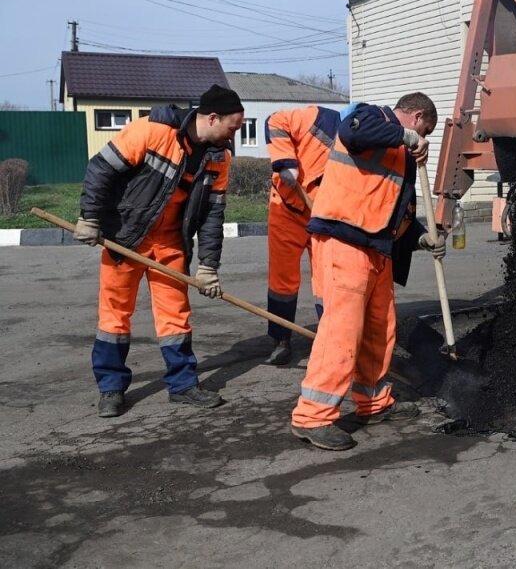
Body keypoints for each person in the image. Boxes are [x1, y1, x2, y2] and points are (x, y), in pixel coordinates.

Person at [74, 84, 245, 418]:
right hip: (125, 238)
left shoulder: (218, 157)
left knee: (175, 316)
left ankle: (182, 386)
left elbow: (212, 214)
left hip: (171, 244)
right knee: (114, 315)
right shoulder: (151, 131)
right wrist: (90, 217)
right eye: (233, 126)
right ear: (212, 118)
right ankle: (111, 389)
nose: (234, 134)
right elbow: (100, 169)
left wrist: (209, 266)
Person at [290, 92, 447, 450]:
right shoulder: (372, 117)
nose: (425, 139)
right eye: (426, 130)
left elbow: (393, 209)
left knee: (379, 331)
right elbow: (354, 131)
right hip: (344, 241)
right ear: (417, 116)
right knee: (341, 332)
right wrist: (406, 137)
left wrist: (422, 239)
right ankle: (312, 416)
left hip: (376, 249)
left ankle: (373, 403)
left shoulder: (399, 155)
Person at [263, 105, 341, 366]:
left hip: (323, 215)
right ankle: (280, 340)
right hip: (287, 208)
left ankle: (330, 338)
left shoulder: (361, 149)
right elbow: (275, 120)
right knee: (282, 280)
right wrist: (286, 163)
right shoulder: (318, 119)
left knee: (326, 280)